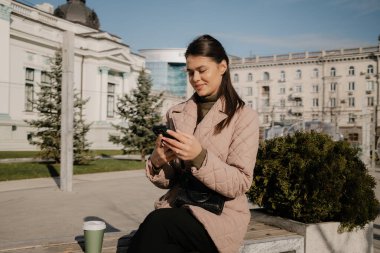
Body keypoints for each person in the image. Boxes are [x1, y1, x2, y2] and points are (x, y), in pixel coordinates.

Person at [127, 34, 259, 253]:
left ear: (222, 66)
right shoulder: (176, 113)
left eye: (202, 70)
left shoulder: (244, 117)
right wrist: (158, 163)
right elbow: (169, 182)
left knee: (157, 223)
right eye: (190, 72)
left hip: (220, 216)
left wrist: (200, 157)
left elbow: (240, 183)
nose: (195, 78)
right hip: (179, 207)